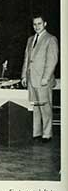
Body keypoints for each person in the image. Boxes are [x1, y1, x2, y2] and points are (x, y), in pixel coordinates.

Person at [21, 13, 59, 142]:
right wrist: (24, 76)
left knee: (45, 107)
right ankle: (36, 132)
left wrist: (46, 77)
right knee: (35, 106)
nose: (37, 26)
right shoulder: (30, 39)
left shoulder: (50, 39)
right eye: (34, 24)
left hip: (43, 79)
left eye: (39, 24)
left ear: (45, 24)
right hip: (31, 78)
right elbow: (27, 59)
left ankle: (47, 134)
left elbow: (52, 60)